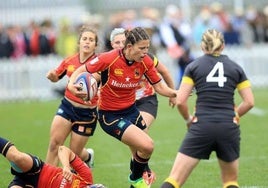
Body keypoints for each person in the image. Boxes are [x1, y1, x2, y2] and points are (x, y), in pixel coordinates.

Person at [68, 27, 177, 188]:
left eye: (147, 48)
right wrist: (71, 85)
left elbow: (160, 87)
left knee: (143, 151)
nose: (145, 52)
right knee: (148, 145)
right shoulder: (108, 58)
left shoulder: (145, 61)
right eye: (142, 48)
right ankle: (136, 178)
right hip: (110, 116)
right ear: (129, 46)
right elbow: (81, 70)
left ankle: (137, 180)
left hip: (131, 111)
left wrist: (176, 93)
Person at [161, 29, 254, 188]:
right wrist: (235, 115)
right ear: (223, 45)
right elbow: (249, 102)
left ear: (202, 46)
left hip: (201, 126)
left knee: (174, 180)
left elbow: (181, 101)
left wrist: (188, 120)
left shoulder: (193, 66)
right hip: (228, 127)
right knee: (230, 181)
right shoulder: (235, 68)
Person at [109, 27, 175, 185]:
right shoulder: (111, 61)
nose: (120, 45)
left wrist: (173, 94)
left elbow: (164, 72)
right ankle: (140, 170)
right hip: (125, 104)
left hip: (147, 100)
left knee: (138, 132)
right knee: (135, 136)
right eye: (117, 42)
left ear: (129, 43)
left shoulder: (145, 57)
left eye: (123, 42)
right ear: (112, 44)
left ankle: (141, 170)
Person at [45, 25, 100, 167]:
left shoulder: (100, 63)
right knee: (54, 145)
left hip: (86, 114)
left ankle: (87, 156)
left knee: (73, 156)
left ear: (95, 45)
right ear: (79, 42)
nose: (87, 42)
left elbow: (92, 79)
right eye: (85, 39)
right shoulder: (69, 61)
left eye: (91, 40)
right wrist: (52, 76)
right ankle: (47, 180)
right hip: (67, 106)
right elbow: (56, 76)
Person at [0, 136, 105, 188]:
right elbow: (62, 149)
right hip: (39, 170)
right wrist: (66, 166)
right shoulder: (86, 177)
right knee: (17, 157)